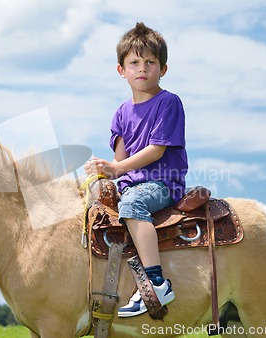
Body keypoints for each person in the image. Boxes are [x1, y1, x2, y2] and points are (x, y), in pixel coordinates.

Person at [84, 22, 188, 318]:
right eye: (134, 63)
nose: (142, 69)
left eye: (150, 62)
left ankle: (156, 283)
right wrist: (104, 170)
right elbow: (120, 164)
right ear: (121, 70)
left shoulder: (168, 103)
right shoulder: (120, 113)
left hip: (162, 183)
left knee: (131, 203)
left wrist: (115, 166)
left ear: (163, 69)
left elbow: (156, 150)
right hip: (131, 183)